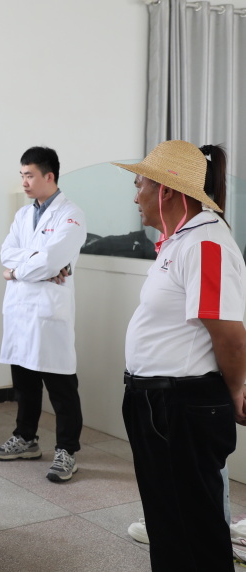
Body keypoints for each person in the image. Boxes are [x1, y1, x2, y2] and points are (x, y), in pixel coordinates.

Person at [115, 140, 246, 570]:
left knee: (194, 530)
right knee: (168, 522)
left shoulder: (206, 242)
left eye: (139, 185)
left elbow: (229, 335)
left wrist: (237, 390)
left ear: (166, 190)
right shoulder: (180, 241)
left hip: (181, 406)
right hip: (158, 402)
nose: (136, 196)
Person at [0, 146, 87, 483]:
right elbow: (6, 252)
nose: (24, 182)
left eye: (29, 175)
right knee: (24, 382)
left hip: (48, 313)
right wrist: (35, 266)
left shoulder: (70, 215)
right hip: (20, 310)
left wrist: (16, 272)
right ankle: (26, 439)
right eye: (22, 175)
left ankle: (67, 451)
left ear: (49, 176)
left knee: (61, 386)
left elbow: (51, 259)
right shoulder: (22, 215)